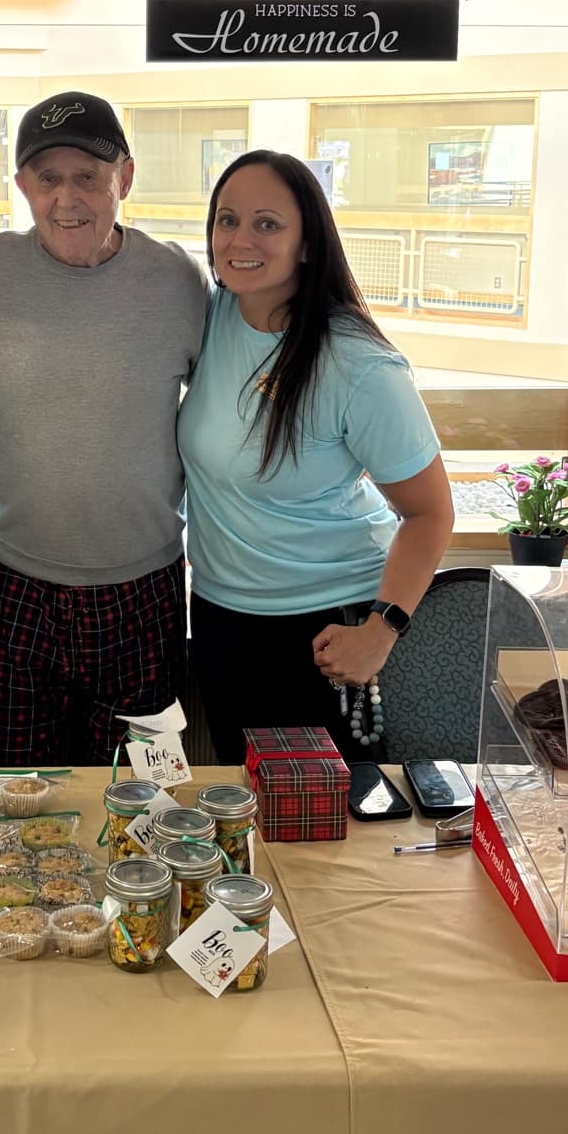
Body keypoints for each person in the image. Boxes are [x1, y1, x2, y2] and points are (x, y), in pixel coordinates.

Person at [0, 91, 207, 763]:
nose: (68, 198)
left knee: (142, 805)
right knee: (9, 801)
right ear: (21, 188)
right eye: (48, 178)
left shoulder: (178, 280)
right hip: (11, 586)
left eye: (88, 177)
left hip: (145, 591)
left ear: (124, 177)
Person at [179, 149, 454, 764]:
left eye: (267, 223)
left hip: (324, 633)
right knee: (245, 818)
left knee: (327, 840)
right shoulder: (212, 316)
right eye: (227, 220)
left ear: (308, 243)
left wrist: (381, 633)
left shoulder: (356, 364)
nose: (241, 239)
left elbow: (431, 513)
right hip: (222, 619)